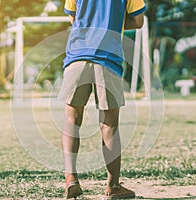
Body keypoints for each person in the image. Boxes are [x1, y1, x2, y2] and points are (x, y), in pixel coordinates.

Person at [58, 0, 146, 199]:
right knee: (109, 124)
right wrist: (112, 23)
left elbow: (73, 18)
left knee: (72, 119)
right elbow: (138, 21)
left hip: (77, 55)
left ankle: (71, 178)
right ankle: (113, 186)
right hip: (108, 57)